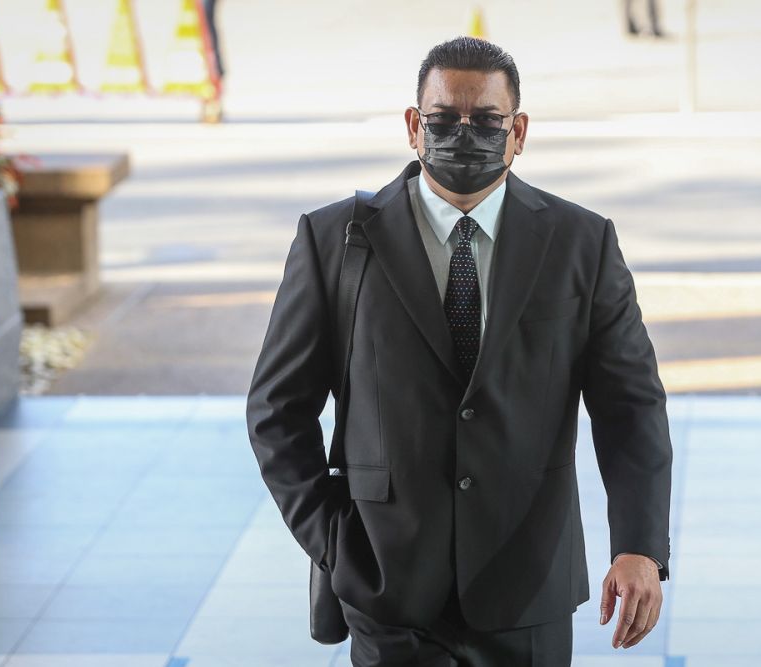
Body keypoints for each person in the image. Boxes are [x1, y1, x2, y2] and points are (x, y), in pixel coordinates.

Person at [246, 36, 673, 667]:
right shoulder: (334, 239)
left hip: (528, 582)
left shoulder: (582, 242)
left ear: (518, 130)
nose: (463, 134)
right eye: (444, 120)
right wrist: (334, 540)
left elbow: (630, 408)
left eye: (487, 121)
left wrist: (638, 546)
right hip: (387, 587)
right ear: (415, 126)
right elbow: (277, 409)